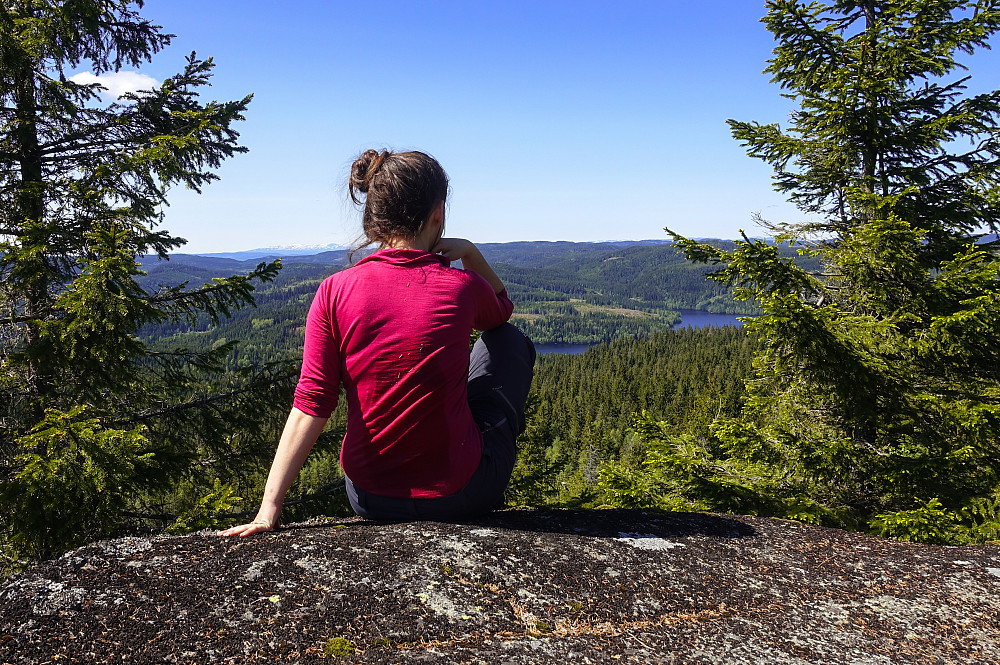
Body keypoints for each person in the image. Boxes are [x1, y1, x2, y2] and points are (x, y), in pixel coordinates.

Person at [218, 149, 535, 536]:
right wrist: (470, 251)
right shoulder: (462, 287)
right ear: (438, 213)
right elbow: (502, 310)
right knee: (507, 341)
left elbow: (311, 403)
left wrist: (269, 509)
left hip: (370, 498)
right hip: (462, 493)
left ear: (374, 218)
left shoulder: (333, 291)